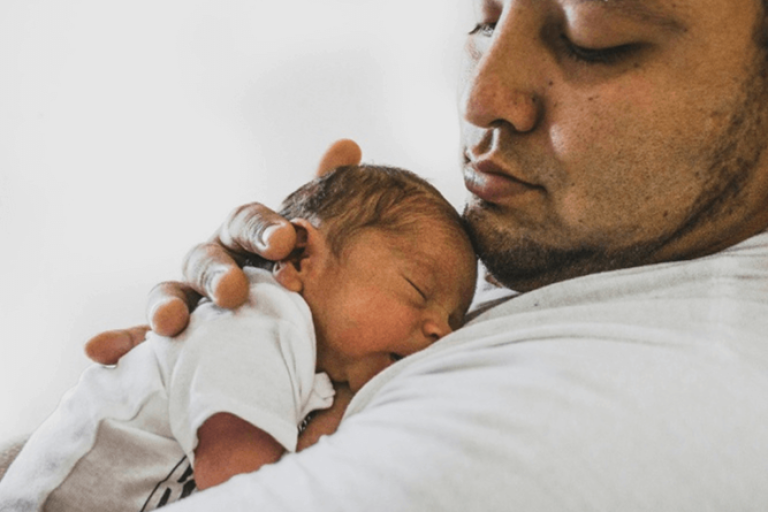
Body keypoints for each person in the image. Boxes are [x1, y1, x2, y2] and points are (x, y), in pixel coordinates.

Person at [5, 0, 768, 509]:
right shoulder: (617, 259)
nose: (481, 98)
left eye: (591, 38)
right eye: (483, 16)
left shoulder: (598, 414)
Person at [0, 165, 477, 511]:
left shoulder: (310, 358)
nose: (439, 330)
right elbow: (241, 487)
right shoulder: (261, 321)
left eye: (453, 319)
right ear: (298, 261)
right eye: (417, 290)